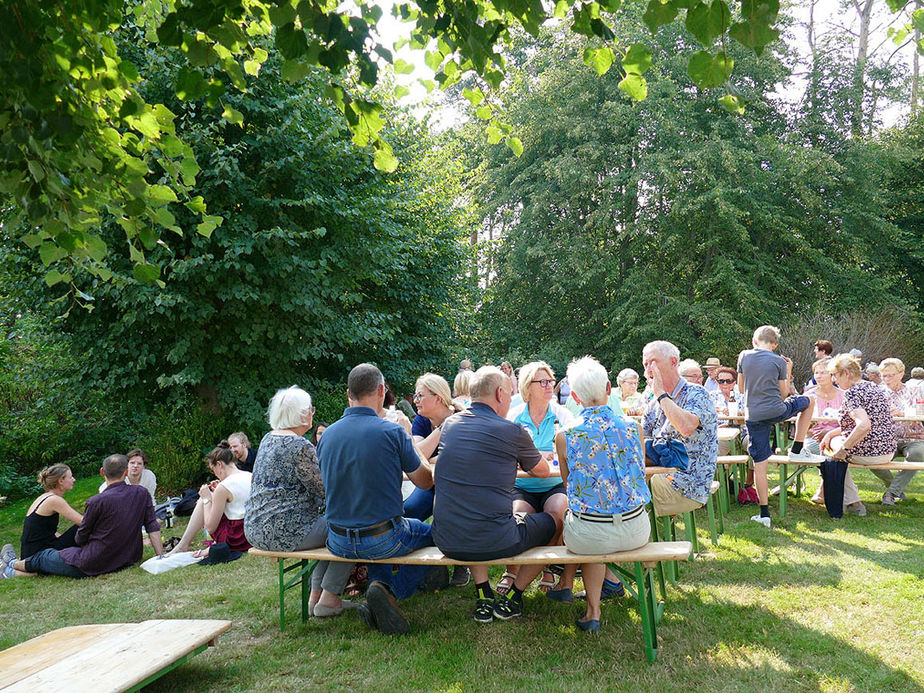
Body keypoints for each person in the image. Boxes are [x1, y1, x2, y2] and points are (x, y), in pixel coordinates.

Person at [432, 366, 556, 622]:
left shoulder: (450, 425)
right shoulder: (512, 431)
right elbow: (543, 472)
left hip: (447, 539)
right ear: (500, 393)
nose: (511, 400)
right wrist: (520, 457)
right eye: (510, 394)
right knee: (556, 519)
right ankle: (515, 595)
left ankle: (483, 593)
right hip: (496, 540)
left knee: (474, 507)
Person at [318, 363, 434, 634]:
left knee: (385, 527)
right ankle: (391, 591)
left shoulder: (328, 435)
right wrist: (409, 440)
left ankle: (378, 590)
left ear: (349, 393)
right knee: (437, 533)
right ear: (382, 391)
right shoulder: (391, 432)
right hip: (383, 537)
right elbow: (425, 481)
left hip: (338, 541)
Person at [544, 357, 651, 633]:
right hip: (637, 528)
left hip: (590, 535)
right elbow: (638, 470)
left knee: (586, 523)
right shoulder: (633, 427)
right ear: (608, 388)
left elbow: (569, 486)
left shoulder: (565, 435)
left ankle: (593, 611)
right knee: (591, 524)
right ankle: (604, 592)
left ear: (576, 397)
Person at [245, 387, 354, 617]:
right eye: (311, 410)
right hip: (286, 532)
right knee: (352, 527)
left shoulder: (268, 439)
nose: (313, 414)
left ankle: (316, 598)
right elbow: (324, 490)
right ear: (303, 415)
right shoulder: (300, 446)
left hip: (255, 528)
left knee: (331, 527)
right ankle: (329, 598)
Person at [2, 454, 163, 579]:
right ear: (126, 472)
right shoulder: (142, 493)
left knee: (43, 558)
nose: (74, 479)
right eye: (70, 476)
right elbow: (152, 525)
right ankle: (11, 565)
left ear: (102, 472)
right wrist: (160, 557)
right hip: (128, 557)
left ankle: (10, 565)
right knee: (52, 554)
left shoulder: (96, 501)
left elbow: (80, 538)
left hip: (92, 562)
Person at [499, 360, 575, 595]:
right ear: (526, 387)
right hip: (523, 486)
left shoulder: (563, 415)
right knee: (517, 516)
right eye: (542, 381)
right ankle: (511, 570)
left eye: (550, 380)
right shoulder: (513, 418)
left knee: (560, 511)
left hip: (554, 484)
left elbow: (573, 452)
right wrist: (536, 456)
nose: (549, 385)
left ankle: (548, 566)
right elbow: (503, 455)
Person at [737, 325, 824, 528]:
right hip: (776, 411)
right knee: (809, 400)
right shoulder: (778, 361)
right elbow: (784, 394)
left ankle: (764, 514)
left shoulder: (743, 356)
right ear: (775, 345)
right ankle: (796, 448)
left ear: (754, 341)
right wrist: (788, 369)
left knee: (760, 465)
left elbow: (741, 388)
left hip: (753, 415)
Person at [642, 341, 718, 520]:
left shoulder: (697, 394)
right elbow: (641, 446)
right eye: (645, 364)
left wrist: (661, 394)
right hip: (660, 474)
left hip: (688, 484)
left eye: (653, 362)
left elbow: (686, 427)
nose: (648, 369)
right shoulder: (652, 406)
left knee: (625, 492)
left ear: (673, 362)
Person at [816, 354, 897, 515]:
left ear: (847, 373)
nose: (834, 380)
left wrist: (844, 449)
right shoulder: (874, 387)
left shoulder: (852, 393)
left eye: (836, 375)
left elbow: (864, 425)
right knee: (832, 445)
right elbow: (867, 422)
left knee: (833, 453)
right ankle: (829, 494)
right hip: (888, 451)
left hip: (870, 452)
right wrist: (831, 433)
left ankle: (853, 502)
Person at [169, 441, 252, 556]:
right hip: (251, 532)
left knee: (202, 501)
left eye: (214, 470)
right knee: (209, 497)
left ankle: (183, 545)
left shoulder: (224, 487)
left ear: (219, 464)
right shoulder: (250, 475)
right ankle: (182, 545)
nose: (216, 475)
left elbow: (210, 527)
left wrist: (206, 498)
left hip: (236, 538)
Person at [877, 358, 923, 505]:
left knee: (918, 453)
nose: (887, 379)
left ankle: (891, 493)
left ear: (901, 374)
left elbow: (920, 413)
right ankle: (896, 487)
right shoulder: (878, 392)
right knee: (871, 455)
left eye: (890, 375)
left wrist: (901, 414)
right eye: (884, 376)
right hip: (887, 438)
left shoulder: (915, 390)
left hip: (913, 437)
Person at [19, 464, 83, 560]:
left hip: (30, 550)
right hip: (38, 553)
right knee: (83, 525)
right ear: (61, 481)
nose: (74, 479)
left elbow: (42, 530)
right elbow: (82, 522)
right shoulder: (54, 500)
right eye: (70, 477)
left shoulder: (44, 497)